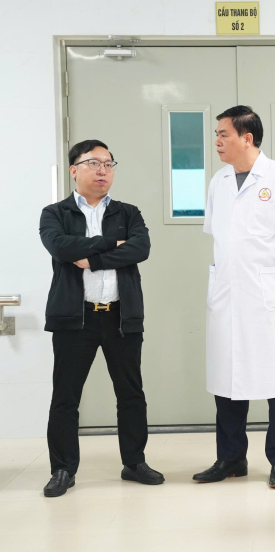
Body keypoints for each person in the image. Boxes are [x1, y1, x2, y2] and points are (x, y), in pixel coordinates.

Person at [193, 106, 275, 488]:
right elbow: (221, 238)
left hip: (266, 299)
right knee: (226, 378)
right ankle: (231, 458)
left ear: (247, 138)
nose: (217, 141)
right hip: (226, 295)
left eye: (224, 134)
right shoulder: (218, 182)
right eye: (216, 134)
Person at [39, 139, 164, 497]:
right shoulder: (55, 213)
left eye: (108, 164)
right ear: (74, 170)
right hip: (74, 319)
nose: (102, 171)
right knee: (66, 397)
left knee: (131, 394)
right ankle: (63, 469)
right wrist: (112, 244)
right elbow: (60, 246)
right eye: (93, 163)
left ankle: (134, 462)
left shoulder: (128, 213)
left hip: (121, 317)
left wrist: (91, 257)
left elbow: (141, 248)